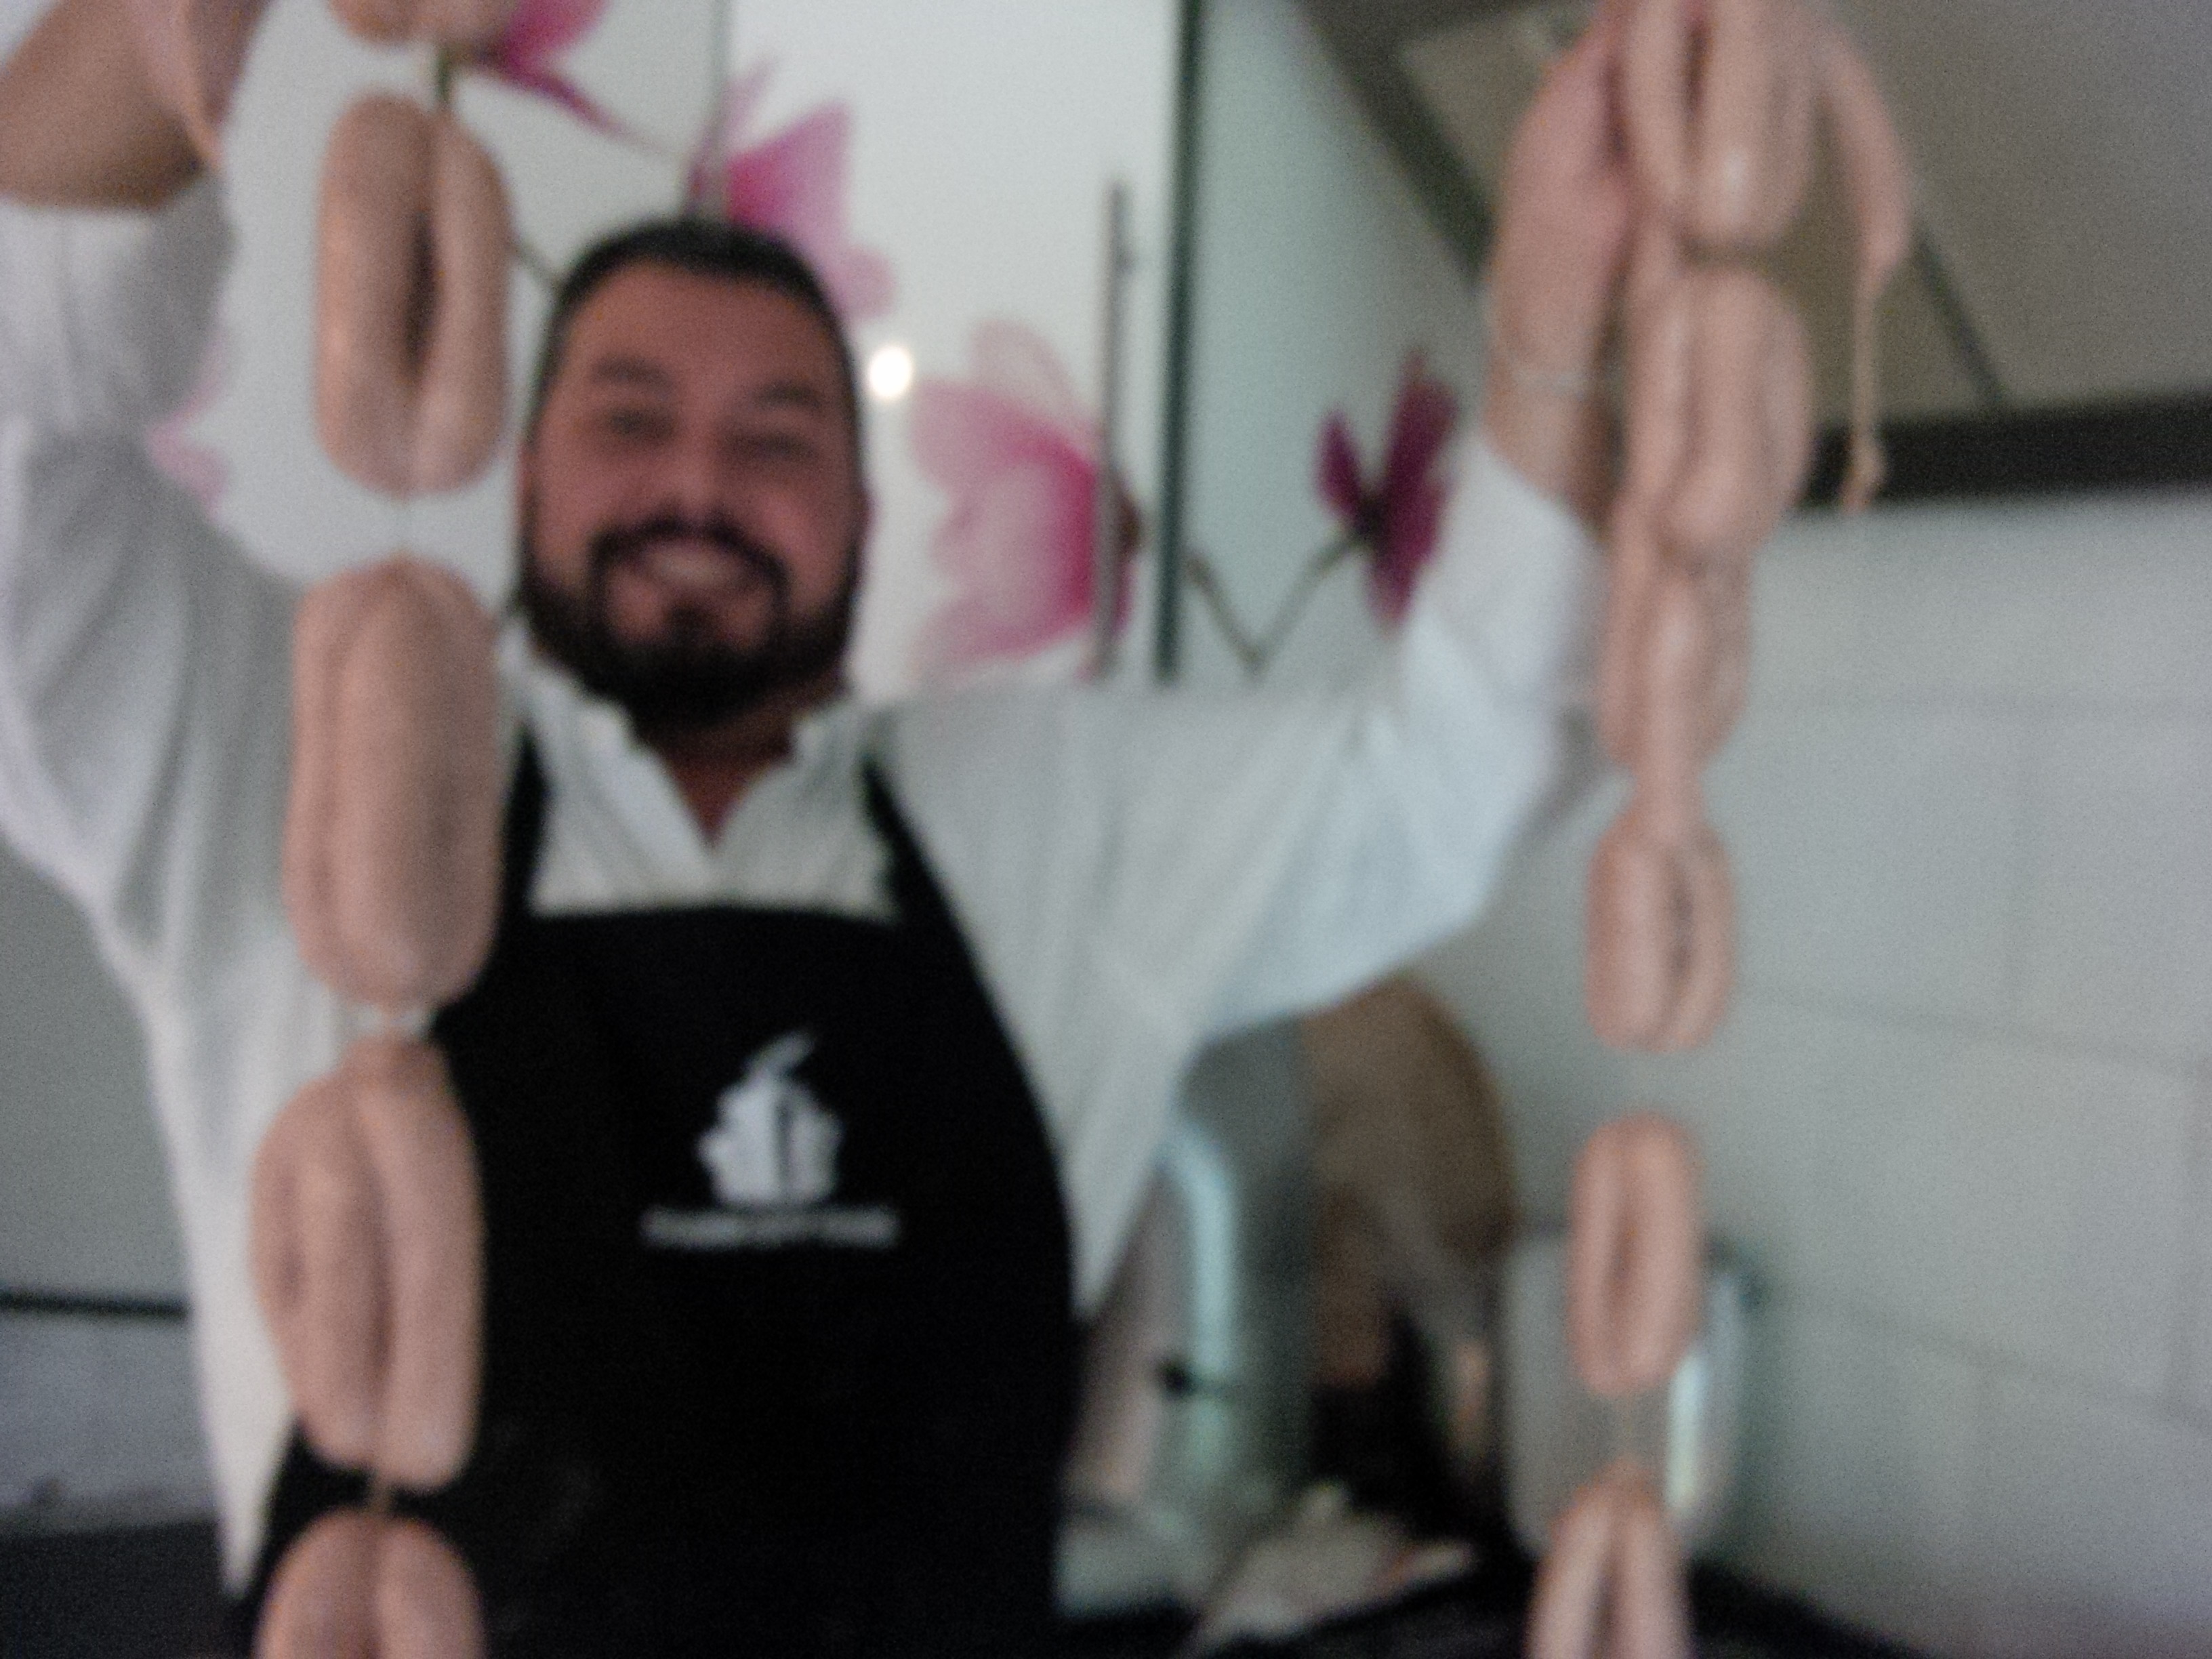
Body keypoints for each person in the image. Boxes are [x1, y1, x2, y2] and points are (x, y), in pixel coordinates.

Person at [0, 1, 1632, 1652]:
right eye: (629, 418)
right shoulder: (305, 758)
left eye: (776, 440)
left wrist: (1555, 319)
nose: (697, 488)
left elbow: (1463, 771)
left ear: (861, 518)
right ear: (525, 470)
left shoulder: (1052, 820)